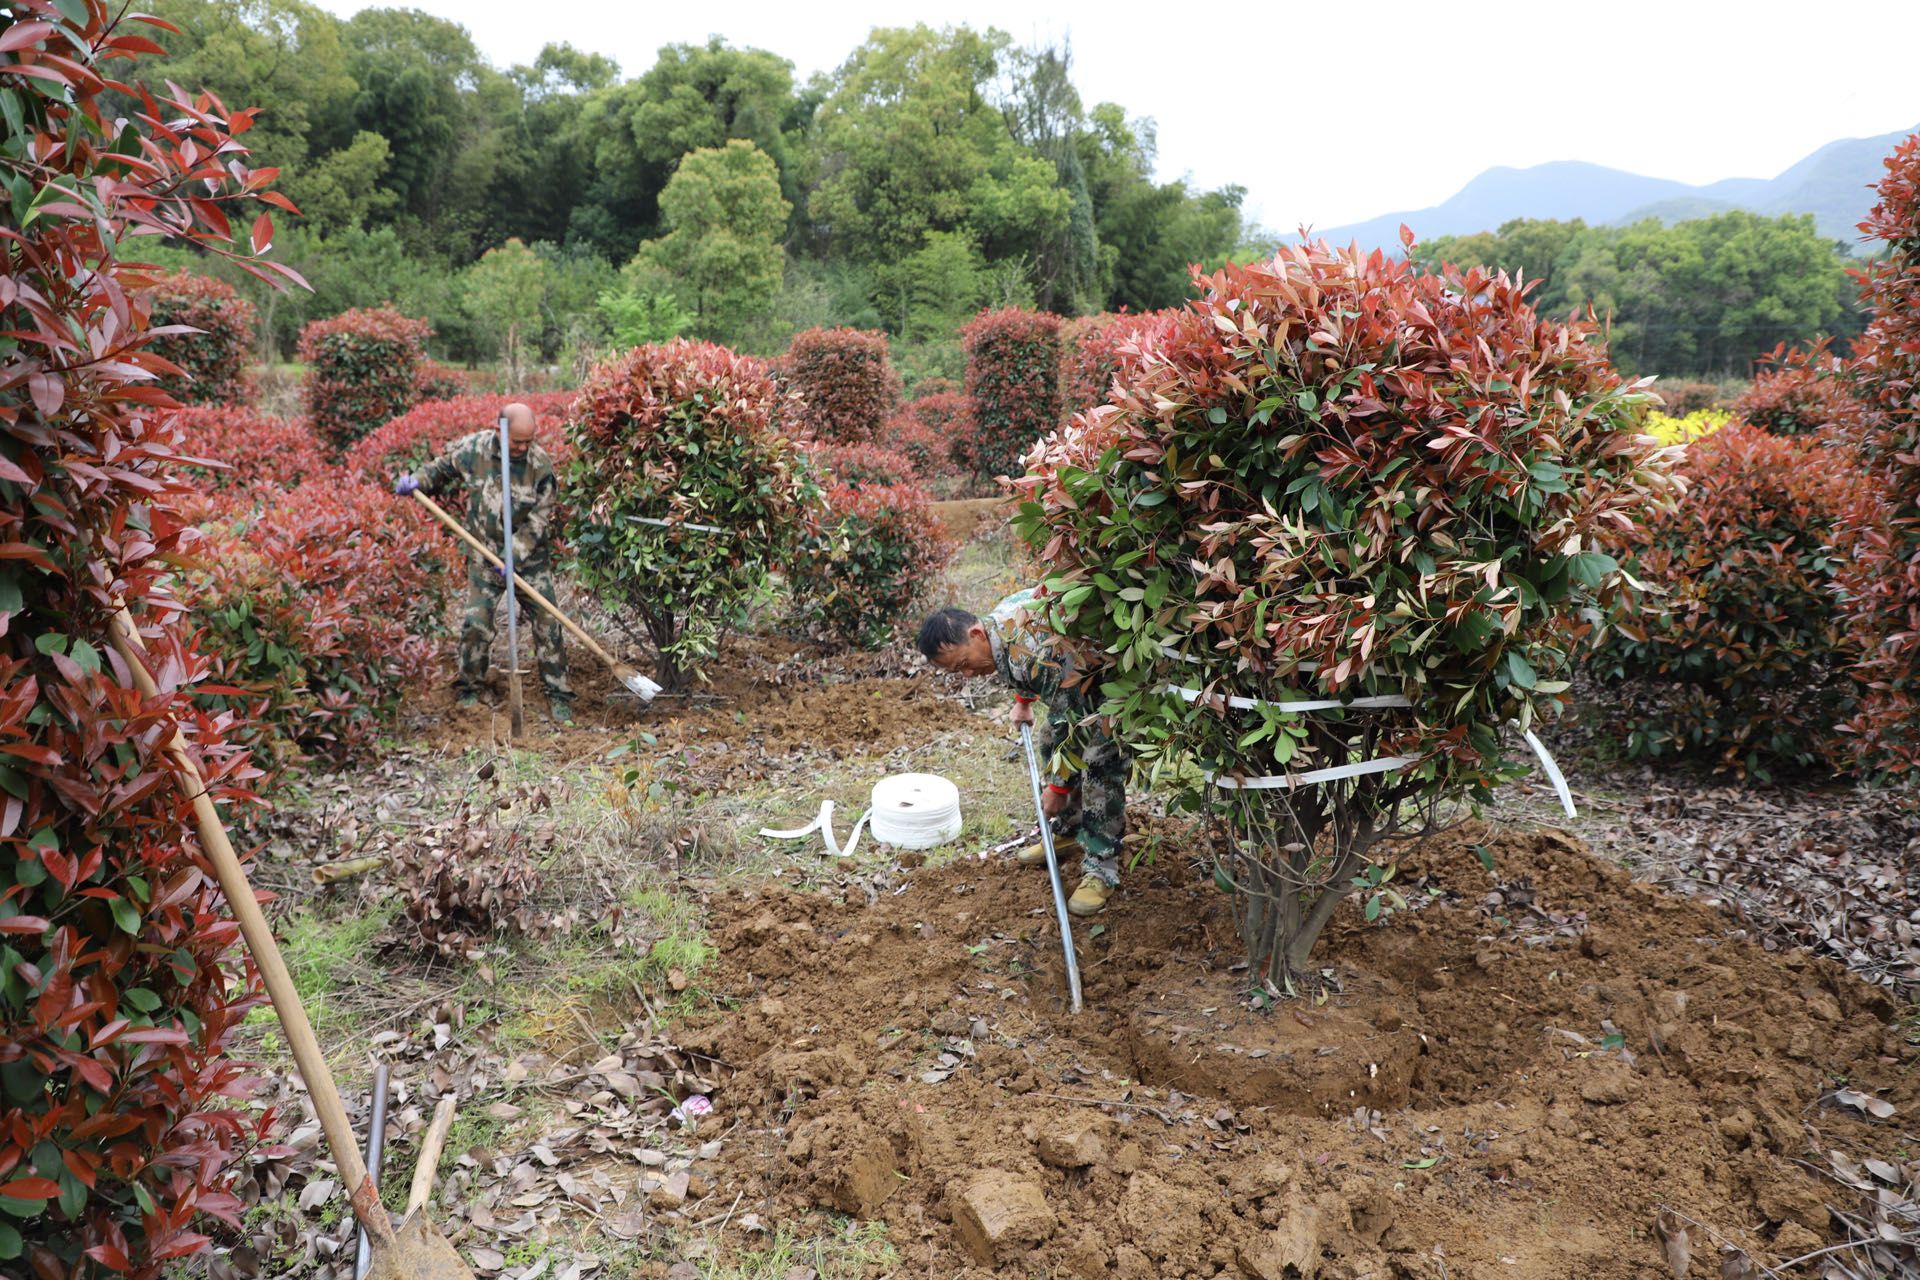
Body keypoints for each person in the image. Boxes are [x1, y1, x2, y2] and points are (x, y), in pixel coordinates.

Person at [917, 589, 1126, 915]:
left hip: (1117, 680)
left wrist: (1057, 789)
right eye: (957, 672)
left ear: (975, 634)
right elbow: (1026, 675)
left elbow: (1070, 725)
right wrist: (1023, 702)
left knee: (1099, 762)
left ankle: (1101, 866)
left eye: (963, 664)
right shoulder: (998, 628)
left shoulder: (1029, 648)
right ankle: (1070, 831)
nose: (968, 674)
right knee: (1047, 740)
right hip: (1075, 677)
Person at [394, 403, 573, 723]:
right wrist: (417, 480)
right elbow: (441, 468)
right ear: (498, 431)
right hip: (483, 554)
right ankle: (469, 688)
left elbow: (539, 520)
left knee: (549, 623)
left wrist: (513, 556)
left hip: (529, 560)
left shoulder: (540, 464)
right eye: (516, 441)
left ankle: (558, 693)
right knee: (476, 624)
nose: (522, 447)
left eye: (528, 441)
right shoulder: (474, 449)